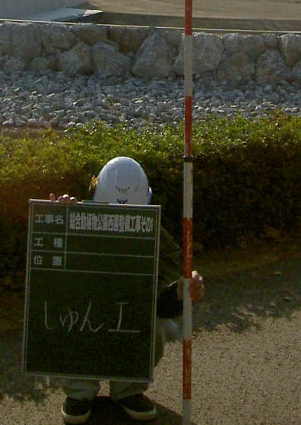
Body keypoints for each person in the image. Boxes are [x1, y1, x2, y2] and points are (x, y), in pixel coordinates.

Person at [51, 156, 204, 424]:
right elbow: (49, 280)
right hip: (87, 310)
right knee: (68, 311)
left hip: (130, 310)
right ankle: (79, 392)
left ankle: (128, 389)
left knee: (158, 321)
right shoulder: (77, 218)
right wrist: (56, 219)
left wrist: (179, 292)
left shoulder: (157, 236)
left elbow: (163, 302)